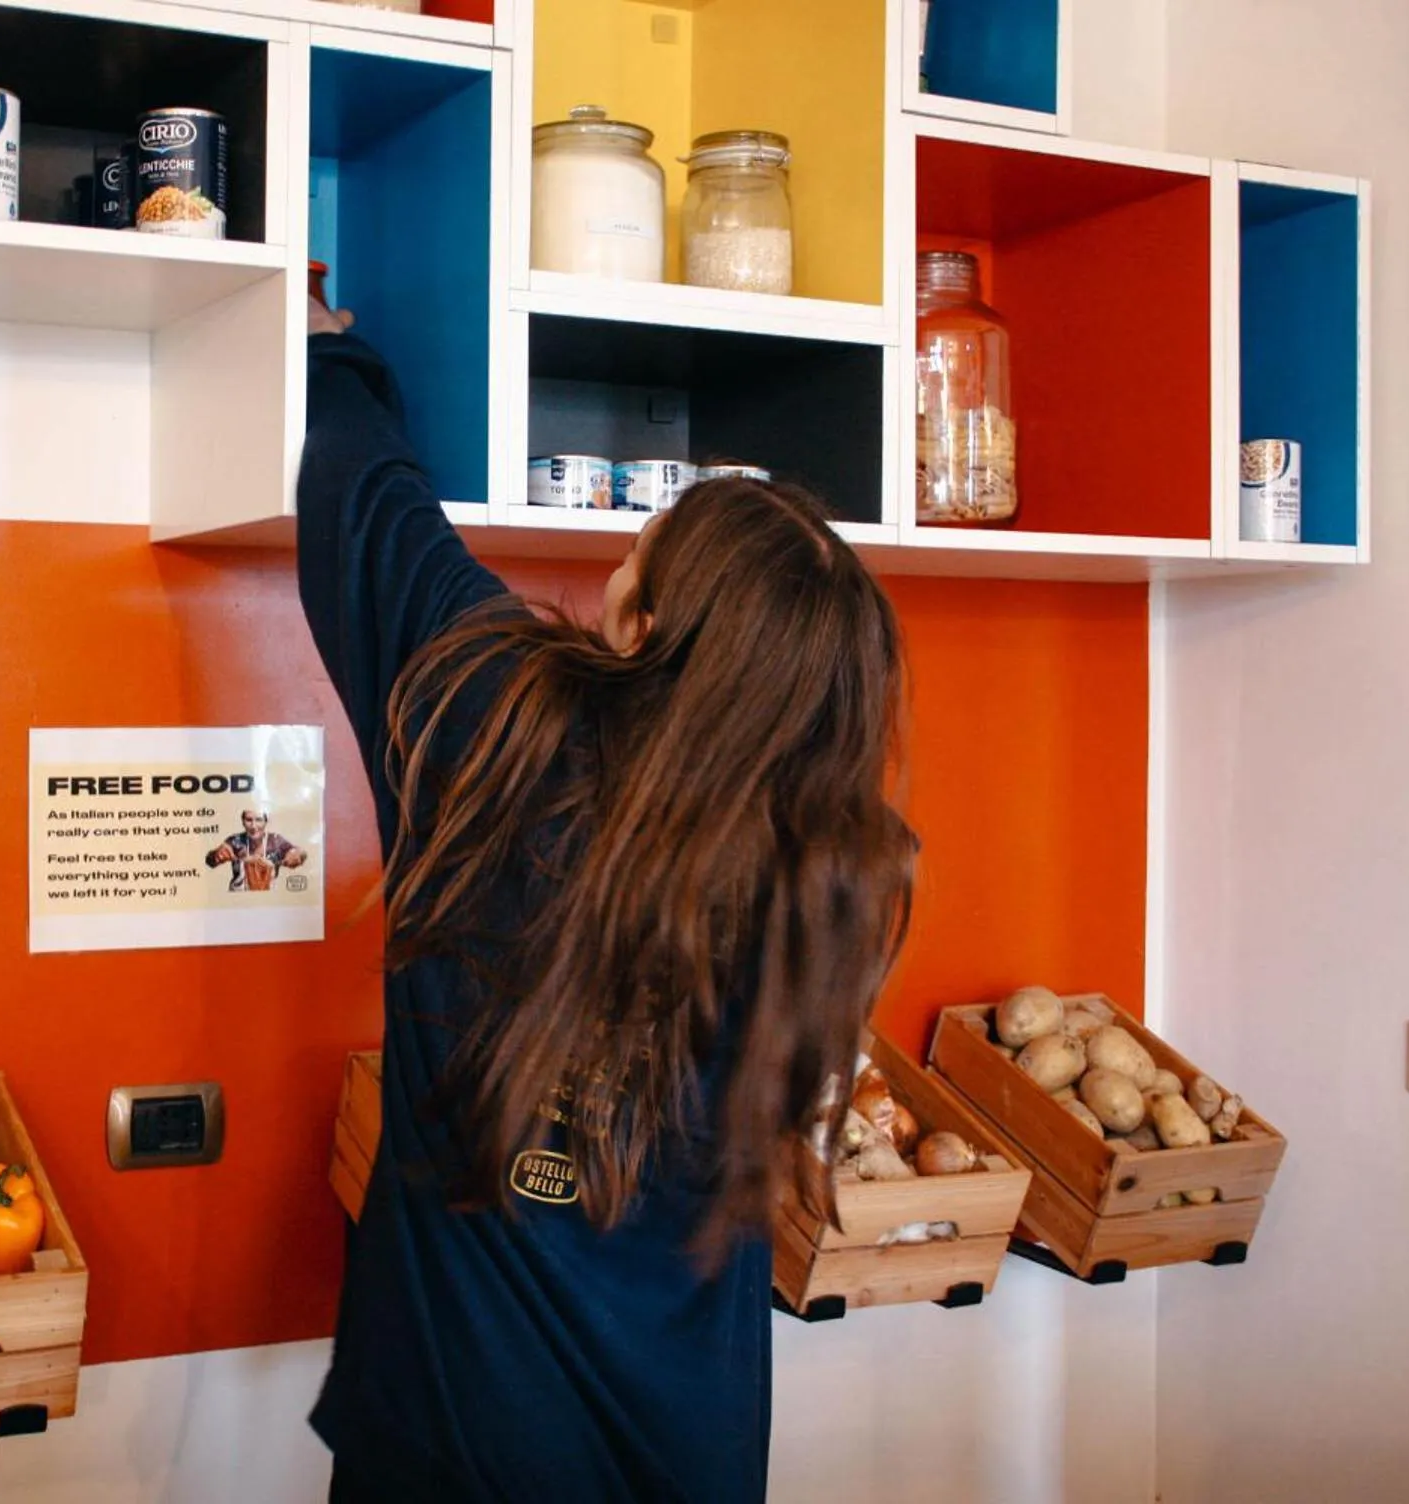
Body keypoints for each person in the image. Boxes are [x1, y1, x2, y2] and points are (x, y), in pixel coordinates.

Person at [298, 302, 916, 1503]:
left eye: (630, 560)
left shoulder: (493, 719)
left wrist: (337, 351)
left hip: (450, 1440)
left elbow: (366, 501)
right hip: (687, 1450)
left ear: (642, 624)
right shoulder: (836, 875)